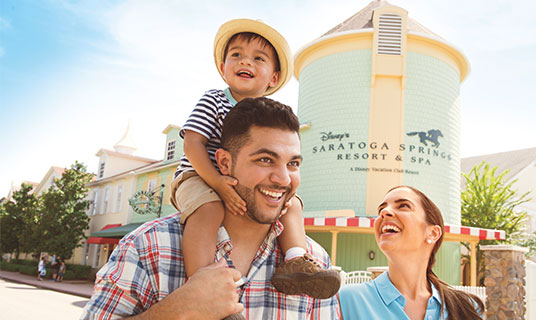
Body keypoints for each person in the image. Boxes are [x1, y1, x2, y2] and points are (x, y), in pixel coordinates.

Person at [81, 97, 340, 319]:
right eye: (265, 159)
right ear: (225, 163)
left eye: (293, 164)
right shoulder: (148, 248)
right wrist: (178, 311)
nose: (283, 179)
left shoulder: (315, 263)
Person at [171, 18, 339, 299]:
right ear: (223, 69)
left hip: (232, 179)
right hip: (199, 174)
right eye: (236, 55)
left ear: (273, 78)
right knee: (209, 209)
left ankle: (295, 260)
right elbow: (192, 143)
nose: (245, 62)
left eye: (258, 58)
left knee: (293, 203)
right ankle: (202, 288)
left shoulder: (272, 115)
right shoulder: (213, 100)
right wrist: (218, 181)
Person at [339, 186, 485, 320]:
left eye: (403, 205)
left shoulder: (466, 308)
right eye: (381, 209)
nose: (384, 212)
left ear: (433, 233)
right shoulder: (345, 301)